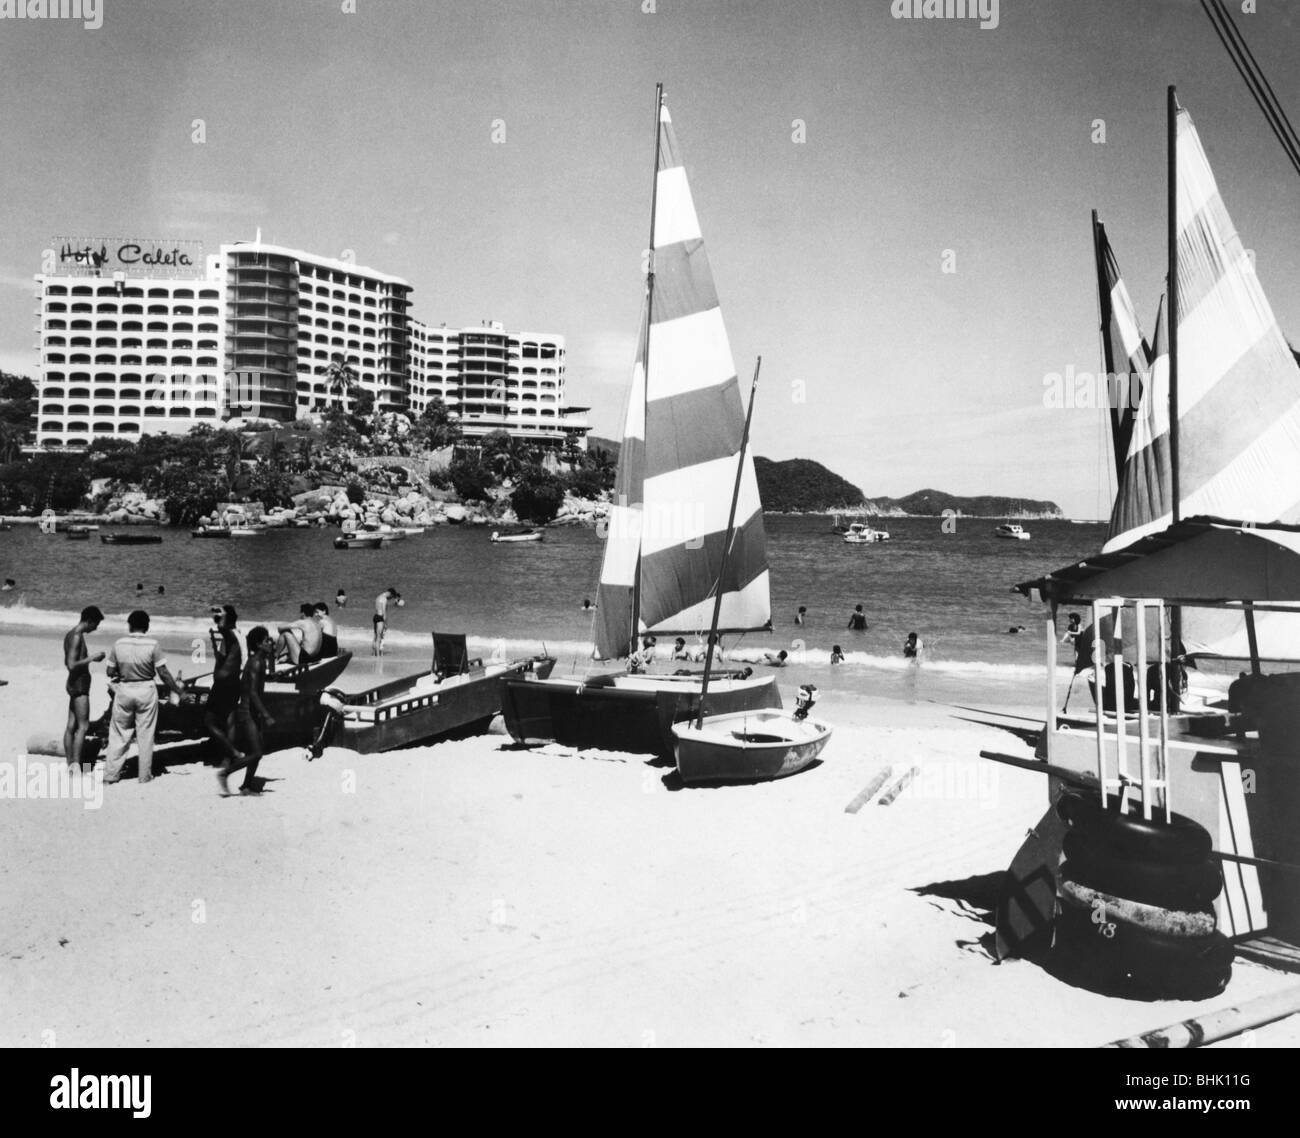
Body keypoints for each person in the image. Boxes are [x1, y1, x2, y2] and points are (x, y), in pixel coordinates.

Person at [103, 609, 186, 784]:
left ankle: (111, 775)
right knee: (146, 734)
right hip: (146, 689)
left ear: (129, 625)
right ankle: (144, 776)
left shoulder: (118, 644)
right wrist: (178, 691)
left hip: (125, 689)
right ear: (147, 626)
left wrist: (122, 670)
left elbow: (110, 671)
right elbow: (163, 673)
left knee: (119, 734)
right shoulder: (153, 645)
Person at [218, 626, 276, 797]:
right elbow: (252, 692)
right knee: (257, 752)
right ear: (258, 644)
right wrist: (266, 714)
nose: (270, 642)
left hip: (252, 711)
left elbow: (268, 676)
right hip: (246, 712)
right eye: (266, 640)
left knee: (256, 752)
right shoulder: (256, 663)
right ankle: (225, 773)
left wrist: (270, 654)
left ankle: (246, 786)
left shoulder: (261, 660)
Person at [63, 605, 105, 770]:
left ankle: (70, 765)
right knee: (83, 726)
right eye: (96, 625)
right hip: (79, 684)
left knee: (71, 726)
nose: (96, 628)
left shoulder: (70, 634)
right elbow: (71, 665)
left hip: (73, 683)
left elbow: (68, 661)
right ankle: (76, 768)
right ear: (89, 621)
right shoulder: (76, 636)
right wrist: (92, 658)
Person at [203, 605, 244, 766]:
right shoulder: (240, 634)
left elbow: (221, 627)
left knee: (209, 720)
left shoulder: (230, 636)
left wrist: (220, 612)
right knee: (230, 718)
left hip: (223, 683)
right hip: (235, 680)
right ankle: (228, 758)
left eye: (222, 618)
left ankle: (232, 751)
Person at [373, 587, 402, 656]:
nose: (390, 599)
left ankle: (374, 653)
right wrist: (385, 623)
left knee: (375, 636)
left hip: (375, 616)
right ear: (390, 594)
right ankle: (377, 655)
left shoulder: (378, 597)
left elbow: (377, 608)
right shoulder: (384, 599)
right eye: (391, 597)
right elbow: (384, 612)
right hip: (380, 618)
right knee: (379, 637)